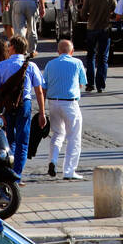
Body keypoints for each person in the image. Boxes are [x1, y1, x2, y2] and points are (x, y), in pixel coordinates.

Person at [0, 36, 46, 180]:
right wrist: (42, 112)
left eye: (9, 46)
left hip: (7, 106)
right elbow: (39, 91)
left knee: (10, 140)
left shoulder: (2, 66)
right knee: (23, 141)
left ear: (13, 47)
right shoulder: (31, 66)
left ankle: (8, 172)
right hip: (25, 104)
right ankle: (17, 175)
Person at [43, 39, 88, 180]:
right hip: (70, 103)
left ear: (58, 51)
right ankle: (69, 170)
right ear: (72, 51)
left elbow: (44, 86)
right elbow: (82, 83)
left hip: (53, 102)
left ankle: (53, 160)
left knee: (57, 133)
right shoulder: (77, 63)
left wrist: (42, 109)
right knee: (73, 137)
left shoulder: (50, 64)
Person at [79, 0, 116, 93]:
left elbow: (83, 14)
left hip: (91, 28)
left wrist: (89, 17)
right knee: (103, 58)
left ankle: (90, 83)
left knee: (90, 57)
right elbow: (115, 13)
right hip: (105, 29)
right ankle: (101, 84)